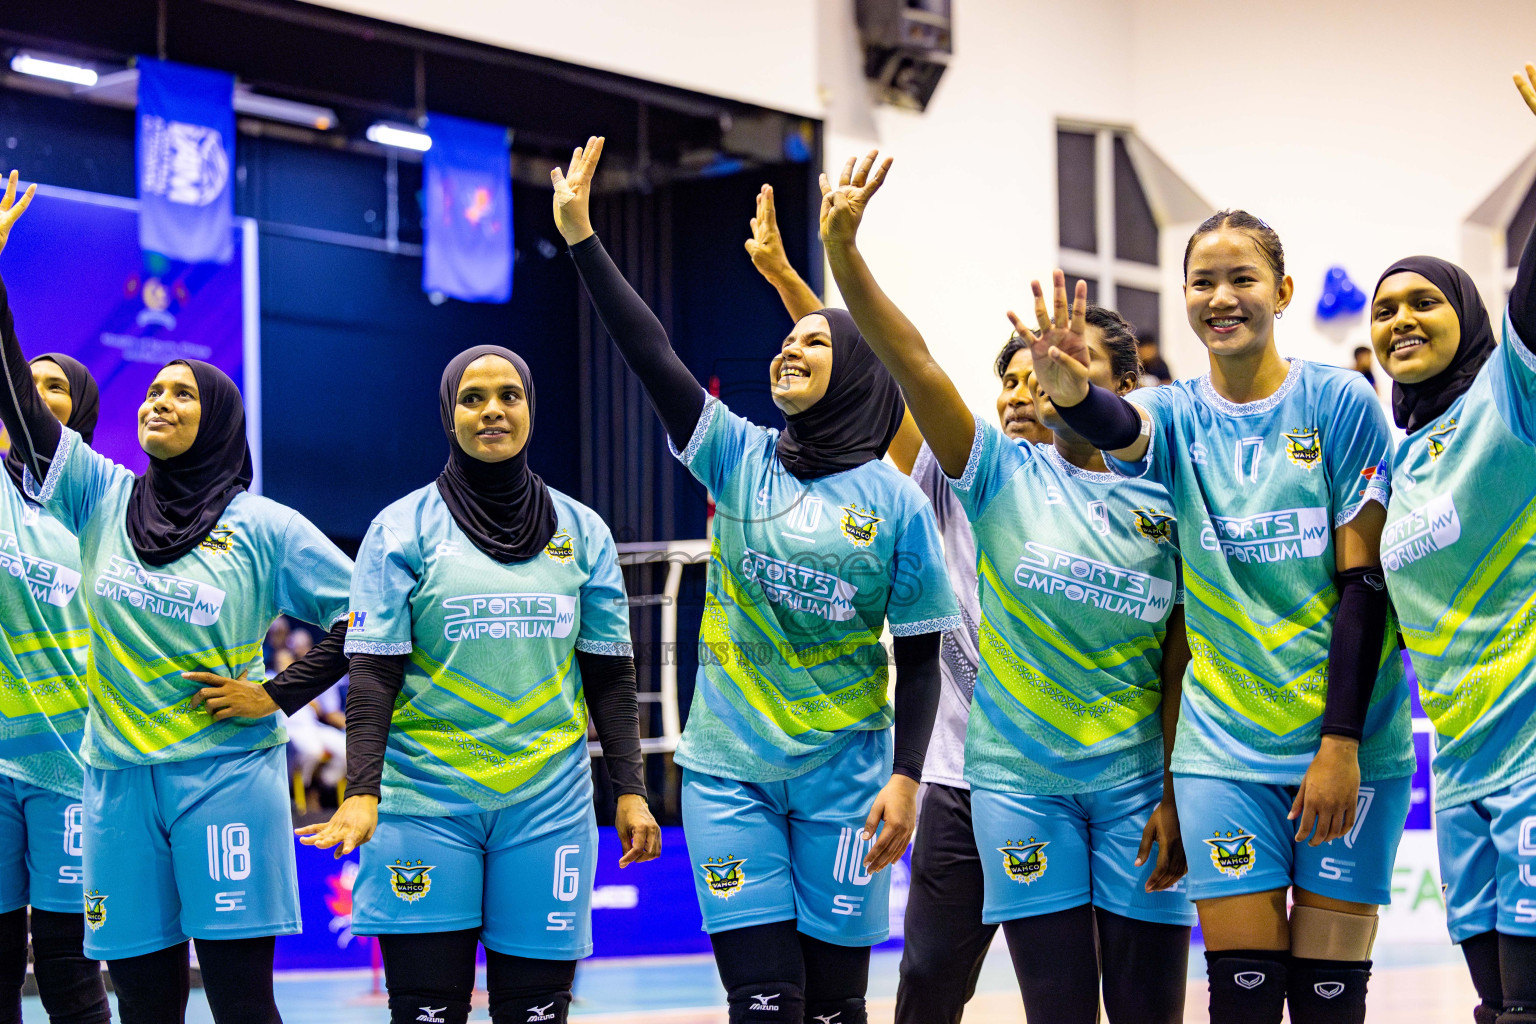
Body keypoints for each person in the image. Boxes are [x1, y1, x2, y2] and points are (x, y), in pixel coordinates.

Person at [554, 137, 959, 1024]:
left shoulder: (895, 500)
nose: (789, 350)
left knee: (835, 1007)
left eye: (813, 342)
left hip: (849, 779)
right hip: (729, 770)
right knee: (765, 1003)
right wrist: (584, 237)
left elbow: (922, 655)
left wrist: (905, 778)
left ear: (851, 374)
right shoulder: (738, 455)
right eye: (785, 340)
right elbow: (650, 352)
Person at [817, 151, 1196, 1023]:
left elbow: (1182, 654)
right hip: (1016, 788)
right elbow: (907, 366)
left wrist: (1177, 790)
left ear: (1126, 388)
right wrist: (844, 257)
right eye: (1035, 363)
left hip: (1139, 786)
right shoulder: (994, 476)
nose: (1050, 379)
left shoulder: (1172, 490)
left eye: (1075, 364)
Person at [1028, 200, 1414, 1024]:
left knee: (1327, 1004)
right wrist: (1070, 393)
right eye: (1203, 281)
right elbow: (1120, 426)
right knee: (1241, 1000)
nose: (1222, 297)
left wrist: (1340, 745)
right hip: (1223, 750)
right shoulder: (1173, 415)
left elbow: (1365, 586)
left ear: (1283, 292)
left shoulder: (1340, 402)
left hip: (1344, 741)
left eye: (1243, 278)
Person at [0, 171, 356, 1024]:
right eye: (154, 391)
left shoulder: (263, 525)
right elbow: (17, 397)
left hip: (227, 778)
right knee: (143, 1005)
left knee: (239, 1004)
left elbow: (376, 618)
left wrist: (277, 693)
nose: (160, 399)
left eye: (183, 393)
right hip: (116, 782)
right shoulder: (97, 494)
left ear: (220, 419)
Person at [746, 181, 1098, 1024]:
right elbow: (878, 371)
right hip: (953, 781)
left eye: (1037, 382)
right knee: (928, 987)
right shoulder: (952, 474)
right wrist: (796, 286)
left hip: (1063, 782)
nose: (1019, 395)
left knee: (1063, 997)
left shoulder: (1116, 502)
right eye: (1008, 382)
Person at [297, 344, 661, 1024]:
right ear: (449, 414)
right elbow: (373, 671)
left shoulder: (584, 532)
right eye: (472, 398)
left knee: (538, 1013)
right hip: (424, 802)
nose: (492, 409)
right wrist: (361, 793)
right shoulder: (400, 528)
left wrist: (632, 791)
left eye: (508, 395)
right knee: (428, 1013)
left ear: (529, 407)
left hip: (546, 803)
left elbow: (610, 675)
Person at [1370, 62, 1536, 1024]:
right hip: (1464, 769)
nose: (1401, 320)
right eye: (1386, 309)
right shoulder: (1403, 460)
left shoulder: (1507, 399)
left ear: (1466, 317)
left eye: (1424, 303)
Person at [0, 348, 110, 1024]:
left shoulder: (107, 502)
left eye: (56, 387)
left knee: (70, 971)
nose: (36, 396)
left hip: (73, 765)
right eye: (27, 383)